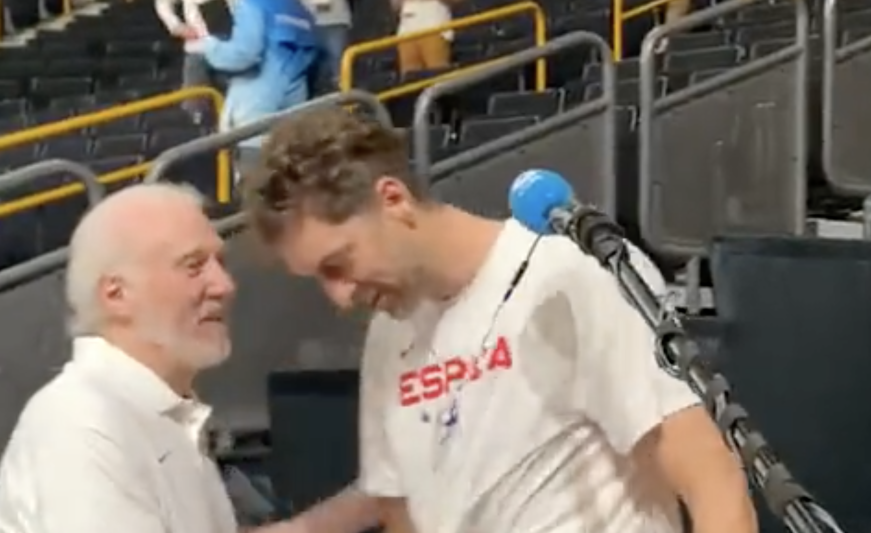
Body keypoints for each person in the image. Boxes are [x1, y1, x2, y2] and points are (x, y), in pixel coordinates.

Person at [241, 108, 758, 533]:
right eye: (318, 278)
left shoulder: (568, 272)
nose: (339, 297)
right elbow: (399, 507)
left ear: (393, 199)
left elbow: (711, 477)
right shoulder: (388, 335)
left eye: (339, 264)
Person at [0, 183, 238, 533]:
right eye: (193, 266)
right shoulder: (83, 426)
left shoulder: (156, 412)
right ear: (116, 294)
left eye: (221, 262)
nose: (224, 284)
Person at [188, 0, 319, 178]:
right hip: (293, 110)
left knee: (253, 189)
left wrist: (207, 46)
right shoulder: (300, 11)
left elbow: (244, 54)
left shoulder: (252, 4)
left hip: (254, 113)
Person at [155, 0, 215, 123]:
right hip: (199, 48)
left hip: (239, 46)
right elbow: (163, 3)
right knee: (195, 108)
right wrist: (176, 26)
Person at [302, 0, 351, 90]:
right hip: (302, 21)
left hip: (334, 21)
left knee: (338, 72)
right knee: (305, 73)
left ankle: (343, 98)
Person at [393, 0, 454, 74]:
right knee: (411, 78)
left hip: (434, 27)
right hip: (406, 30)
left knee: (437, 75)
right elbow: (395, 5)